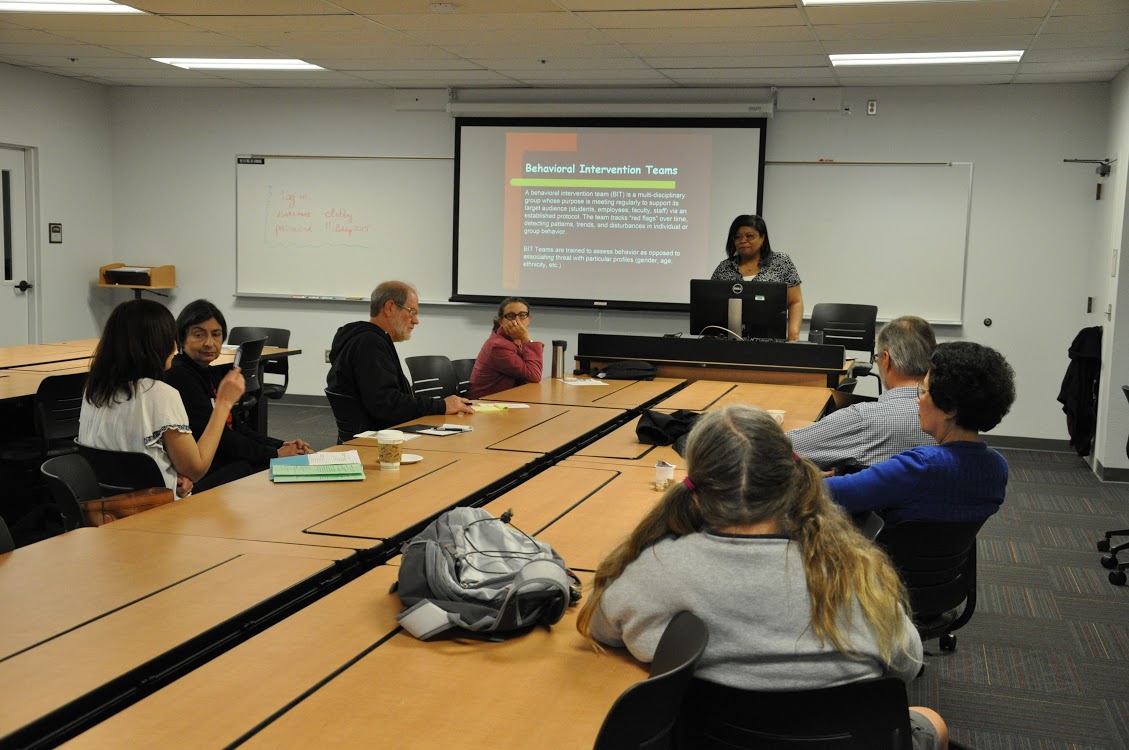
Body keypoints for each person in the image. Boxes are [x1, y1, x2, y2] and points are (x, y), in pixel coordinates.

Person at [577, 405, 947, 749]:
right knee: (931, 721)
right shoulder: (855, 570)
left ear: (696, 491)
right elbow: (907, 665)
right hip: (848, 737)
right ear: (790, 483)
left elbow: (602, 628)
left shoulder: (659, 568)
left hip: (713, 739)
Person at [825, 341, 1016, 524]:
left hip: (881, 555)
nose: (918, 400)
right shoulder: (997, 467)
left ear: (949, 408)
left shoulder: (918, 466)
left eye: (924, 391)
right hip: (945, 557)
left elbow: (832, 494)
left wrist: (809, 476)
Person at [78, 298, 245, 498]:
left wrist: (169, 477)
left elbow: (123, 453)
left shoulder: (93, 389)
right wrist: (223, 404)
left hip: (107, 504)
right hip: (158, 510)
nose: (174, 347)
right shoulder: (160, 394)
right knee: (244, 470)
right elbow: (195, 470)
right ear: (156, 344)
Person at [164, 299, 312, 492]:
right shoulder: (180, 376)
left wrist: (282, 445)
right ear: (182, 339)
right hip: (204, 471)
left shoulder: (211, 371)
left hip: (225, 457)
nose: (209, 343)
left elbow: (235, 425)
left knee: (292, 464)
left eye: (216, 335)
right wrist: (275, 453)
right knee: (273, 472)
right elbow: (224, 438)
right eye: (199, 335)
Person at [790, 315, 937, 471]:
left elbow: (783, 447)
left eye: (877, 357)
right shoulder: (951, 418)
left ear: (886, 360)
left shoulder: (863, 418)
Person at [326, 280, 473, 432]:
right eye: (411, 312)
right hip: (378, 441)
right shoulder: (369, 344)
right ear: (389, 308)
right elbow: (387, 404)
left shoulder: (367, 340)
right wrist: (441, 406)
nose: (416, 321)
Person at [710, 214, 803, 341]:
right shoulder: (724, 267)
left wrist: (793, 337)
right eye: (737, 237)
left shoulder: (781, 262)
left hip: (771, 345)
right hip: (730, 344)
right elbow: (711, 305)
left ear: (762, 238)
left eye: (749, 236)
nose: (743, 240)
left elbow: (795, 302)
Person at [468, 297, 544, 399]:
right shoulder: (498, 346)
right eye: (511, 316)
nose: (517, 321)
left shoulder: (517, 340)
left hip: (506, 401)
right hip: (485, 406)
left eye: (522, 315)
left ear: (529, 319)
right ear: (501, 321)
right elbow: (534, 375)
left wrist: (525, 340)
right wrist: (526, 339)